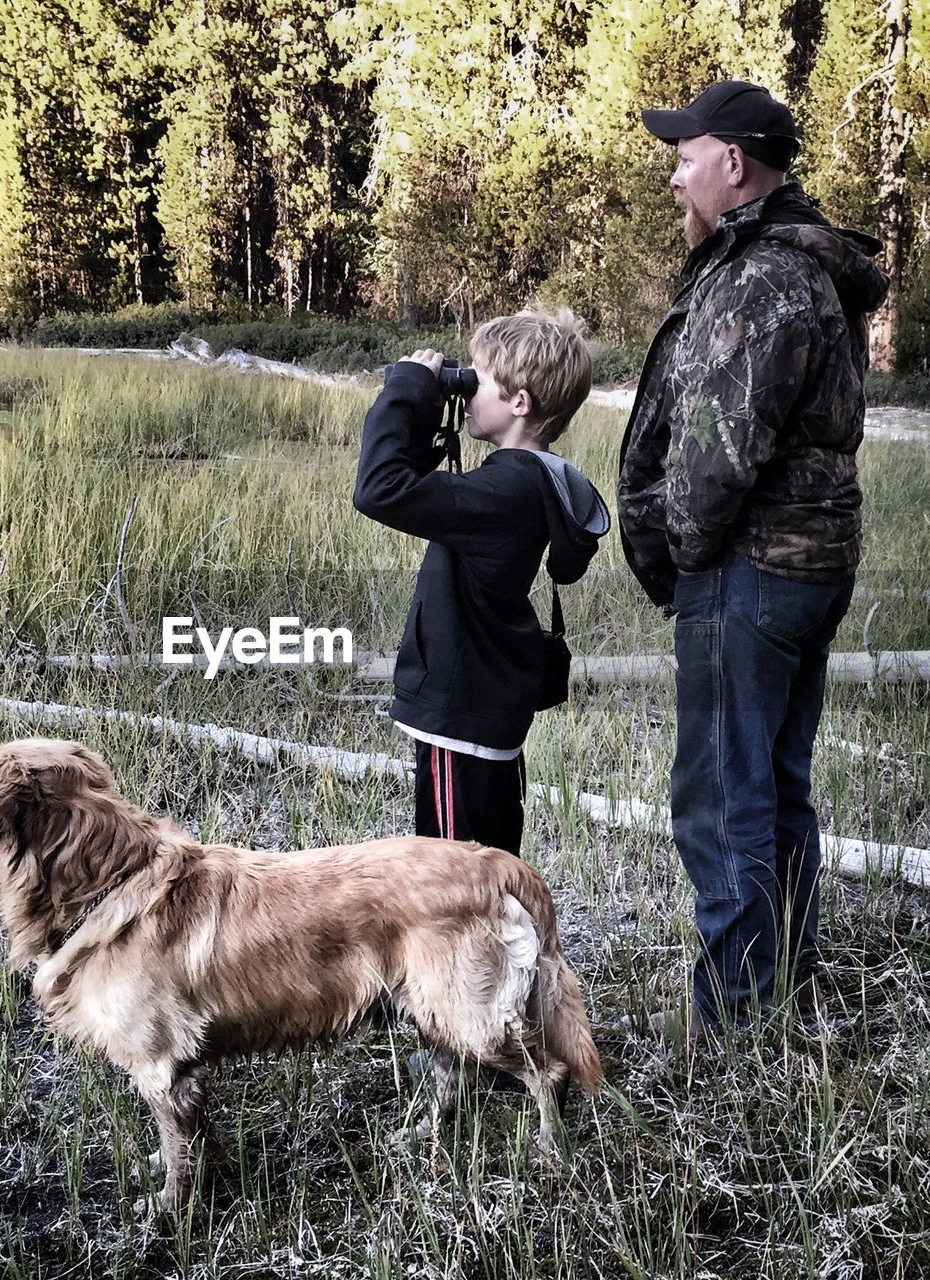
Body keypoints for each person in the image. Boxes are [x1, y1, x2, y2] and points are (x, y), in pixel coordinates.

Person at [618, 81, 890, 1033]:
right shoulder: (786, 265)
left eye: (684, 153)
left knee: (721, 801)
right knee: (773, 787)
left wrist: (680, 557)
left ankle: (734, 1019)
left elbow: (711, 461)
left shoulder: (761, 278)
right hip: (798, 564)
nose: (675, 172)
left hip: (750, 569)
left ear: (732, 163)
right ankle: (784, 987)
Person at [355, 307, 610, 857]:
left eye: (478, 379)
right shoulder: (529, 481)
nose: (467, 389)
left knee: (455, 877)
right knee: (491, 870)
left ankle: (476, 950)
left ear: (520, 402)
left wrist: (405, 390)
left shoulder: (504, 490)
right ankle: (505, 946)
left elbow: (379, 488)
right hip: (485, 710)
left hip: (460, 713)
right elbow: (417, 488)